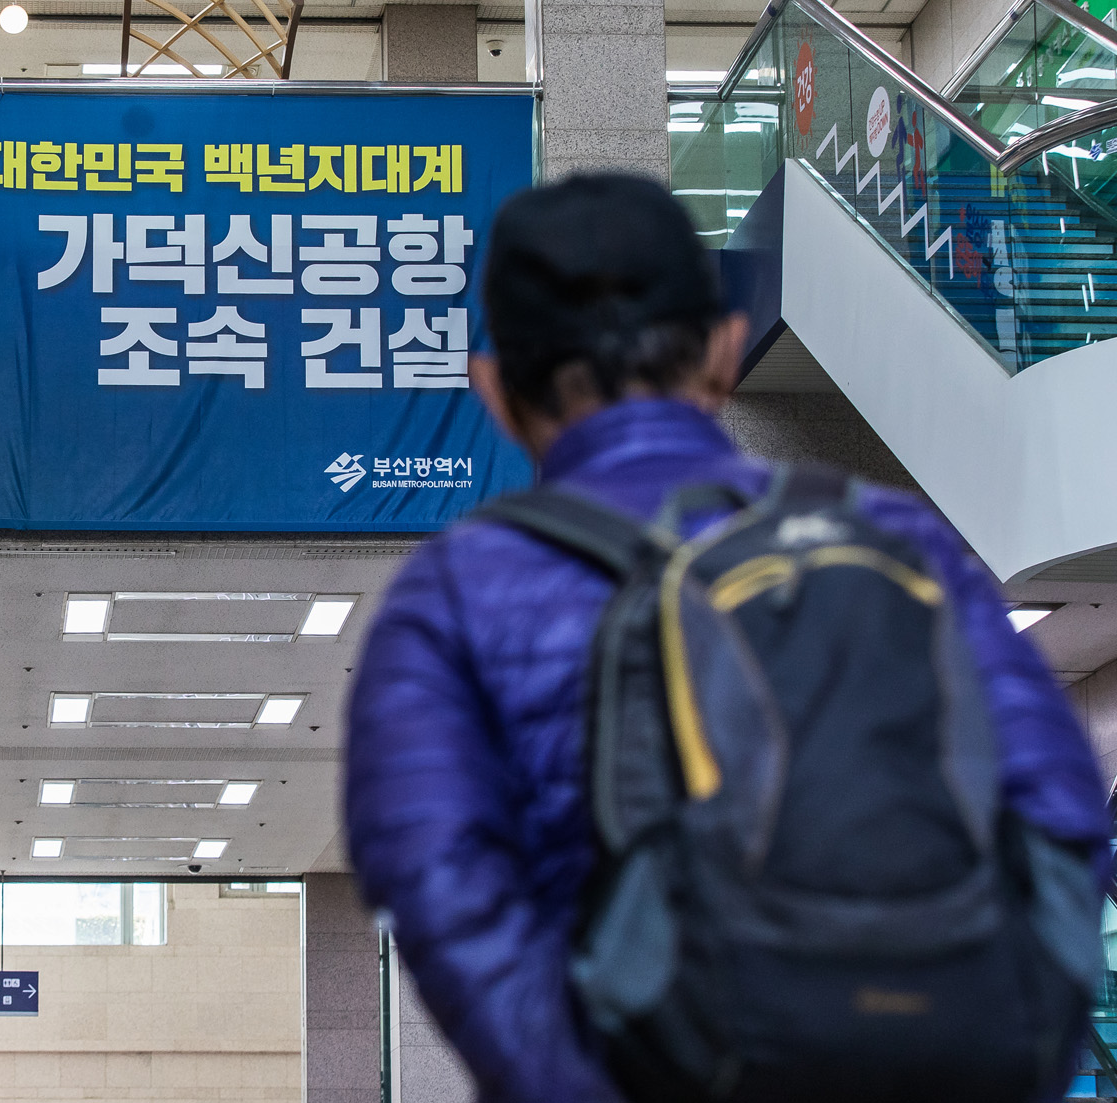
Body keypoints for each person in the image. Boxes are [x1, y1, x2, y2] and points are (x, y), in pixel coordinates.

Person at [342, 173, 1109, 1103]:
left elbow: (437, 878)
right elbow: (1063, 818)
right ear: (724, 348)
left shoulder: (455, 592)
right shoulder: (896, 539)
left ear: (496, 390)